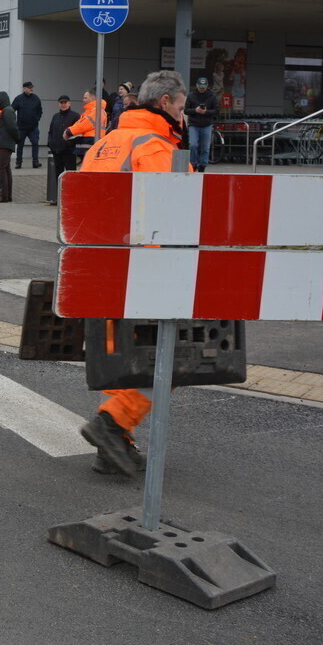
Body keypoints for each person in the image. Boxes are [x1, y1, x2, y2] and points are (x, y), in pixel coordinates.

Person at [78, 69, 190, 476]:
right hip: (143, 270)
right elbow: (172, 217)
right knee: (171, 358)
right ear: (165, 103)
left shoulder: (104, 144)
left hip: (99, 268)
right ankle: (112, 424)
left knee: (120, 360)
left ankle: (113, 444)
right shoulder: (156, 147)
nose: (184, 115)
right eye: (181, 107)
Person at [46, 95, 80, 201]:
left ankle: (71, 198)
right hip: (56, 151)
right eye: (61, 103)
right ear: (58, 104)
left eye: (65, 102)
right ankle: (60, 198)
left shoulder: (75, 116)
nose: (63, 104)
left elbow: (77, 133)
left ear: (69, 103)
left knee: (70, 175)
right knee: (58, 175)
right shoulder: (55, 116)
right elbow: (51, 131)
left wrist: (69, 145)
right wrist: (50, 144)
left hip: (69, 152)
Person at [0, 90, 18, 203]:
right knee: (5, 168)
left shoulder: (7, 111)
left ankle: (4, 196)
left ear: (2, 100)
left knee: (1, 168)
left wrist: (17, 139)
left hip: (5, 144)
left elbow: (12, 127)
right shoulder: (7, 110)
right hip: (5, 143)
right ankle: (7, 195)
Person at [186, 76, 218, 172]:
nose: (202, 89)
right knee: (193, 145)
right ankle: (193, 163)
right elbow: (186, 110)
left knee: (205, 147)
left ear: (207, 86)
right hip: (194, 124)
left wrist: (206, 112)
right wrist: (195, 110)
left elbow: (217, 111)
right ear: (197, 85)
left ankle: (203, 165)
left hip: (206, 124)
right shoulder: (191, 96)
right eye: (200, 87)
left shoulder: (212, 96)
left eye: (203, 87)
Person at [10, 81, 43, 169]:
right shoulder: (18, 99)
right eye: (29, 88)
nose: (31, 89)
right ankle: (18, 162)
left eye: (32, 87)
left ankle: (35, 162)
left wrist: (37, 119)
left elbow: (40, 111)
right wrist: (13, 122)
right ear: (24, 89)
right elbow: (11, 110)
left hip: (33, 127)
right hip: (21, 127)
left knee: (35, 143)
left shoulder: (36, 98)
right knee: (20, 145)